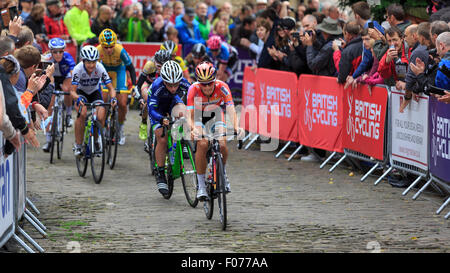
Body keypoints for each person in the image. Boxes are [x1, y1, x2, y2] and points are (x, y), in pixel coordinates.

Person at [185, 62, 244, 200]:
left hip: (216, 115)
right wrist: (193, 129)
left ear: (214, 80)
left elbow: (230, 109)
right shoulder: (193, 89)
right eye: (203, 84)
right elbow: (189, 116)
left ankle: (222, 174)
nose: (206, 87)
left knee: (222, 144)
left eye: (209, 83)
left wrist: (236, 127)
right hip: (198, 116)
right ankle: (201, 186)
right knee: (203, 144)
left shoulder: (223, 87)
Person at [147, 60, 190, 196]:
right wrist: (161, 119)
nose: (173, 88)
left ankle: (181, 141)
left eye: (176, 85)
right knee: (162, 138)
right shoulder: (156, 86)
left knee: (183, 113)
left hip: (172, 102)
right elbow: (151, 109)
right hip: (157, 109)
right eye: (170, 85)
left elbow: (194, 97)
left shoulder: (183, 82)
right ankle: (160, 172)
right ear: (164, 81)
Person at [71, 45, 117, 156]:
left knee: (101, 116)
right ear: (83, 61)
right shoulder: (78, 69)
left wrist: (113, 98)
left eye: (93, 62)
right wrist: (78, 98)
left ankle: (96, 140)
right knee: (81, 114)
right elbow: (72, 91)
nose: (91, 65)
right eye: (88, 62)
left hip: (95, 93)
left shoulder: (100, 68)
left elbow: (111, 88)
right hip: (81, 94)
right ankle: (78, 145)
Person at [97, 28, 137, 145]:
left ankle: (120, 128)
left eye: (111, 46)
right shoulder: (98, 50)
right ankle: (103, 129)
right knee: (103, 101)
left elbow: (131, 68)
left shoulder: (120, 50)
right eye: (106, 47)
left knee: (123, 103)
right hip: (105, 71)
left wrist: (134, 85)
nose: (109, 50)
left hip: (119, 71)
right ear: (101, 45)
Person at [41, 38, 76, 152]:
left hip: (65, 77)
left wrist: (74, 87)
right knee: (50, 105)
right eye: (55, 52)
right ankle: (48, 140)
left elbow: (73, 74)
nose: (58, 54)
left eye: (61, 51)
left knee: (67, 89)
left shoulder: (68, 57)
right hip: (52, 78)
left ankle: (69, 114)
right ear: (50, 51)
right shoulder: (46, 58)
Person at [136, 49, 172, 141]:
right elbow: (139, 84)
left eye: (164, 66)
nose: (161, 69)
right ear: (155, 62)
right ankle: (144, 123)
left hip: (162, 85)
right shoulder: (149, 65)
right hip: (148, 84)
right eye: (159, 66)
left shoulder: (171, 66)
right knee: (148, 101)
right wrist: (140, 98)